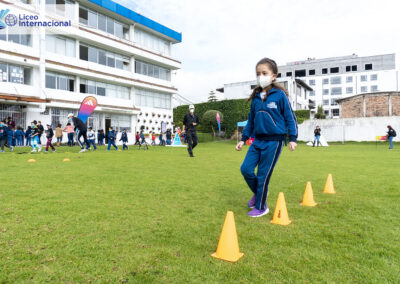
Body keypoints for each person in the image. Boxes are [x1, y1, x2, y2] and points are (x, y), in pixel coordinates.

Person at [236, 57, 298, 218]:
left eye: (264, 73)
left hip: (274, 142)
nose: (260, 76)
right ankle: (259, 193)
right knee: (246, 169)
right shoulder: (256, 98)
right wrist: (243, 139)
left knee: (263, 175)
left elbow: (290, 118)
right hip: (257, 141)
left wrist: (293, 138)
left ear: (273, 76)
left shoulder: (279, 96)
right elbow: (251, 121)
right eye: (258, 73)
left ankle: (262, 207)